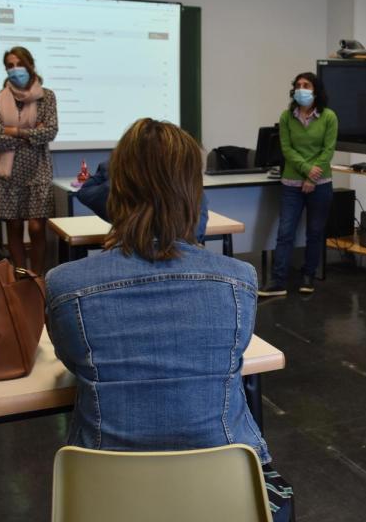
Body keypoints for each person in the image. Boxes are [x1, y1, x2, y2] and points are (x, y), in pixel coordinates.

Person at [46, 119, 294, 521]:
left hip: (106, 498)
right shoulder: (239, 281)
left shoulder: (65, 286)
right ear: (194, 192)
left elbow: (73, 362)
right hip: (226, 497)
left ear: (117, 190)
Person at [259, 72, 337, 297]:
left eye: (306, 85)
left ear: (316, 90)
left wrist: (312, 178)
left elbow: (328, 150)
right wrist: (306, 170)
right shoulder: (287, 117)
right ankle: (278, 281)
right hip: (291, 184)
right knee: (285, 233)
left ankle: (308, 277)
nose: (301, 88)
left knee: (315, 232)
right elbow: (287, 149)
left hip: (320, 183)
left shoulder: (329, 117)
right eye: (298, 85)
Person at [0, 46, 57, 275]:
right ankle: (21, 277)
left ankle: (38, 277)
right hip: (8, 172)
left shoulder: (46, 97)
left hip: (38, 168)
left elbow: (50, 132)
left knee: (36, 227)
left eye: (20, 64)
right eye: (10, 66)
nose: (15, 69)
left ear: (30, 65)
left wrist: (14, 131)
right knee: (14, 227)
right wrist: (32, 132)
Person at [76, 158, 209, 243]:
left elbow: (85, 192)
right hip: (184, 256)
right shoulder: (191, 189)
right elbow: (196, 234)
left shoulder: (120, 185)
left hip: (128, 253)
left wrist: (117, 164)